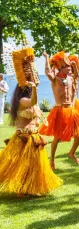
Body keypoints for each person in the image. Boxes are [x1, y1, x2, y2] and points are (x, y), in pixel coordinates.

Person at [0, 47, 62, 196]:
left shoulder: (32, 101)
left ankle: (31, 188)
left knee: (35, 165)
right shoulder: (22, 100)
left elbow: (35, 107)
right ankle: (23, 189)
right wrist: (34, 88)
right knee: (21, 165)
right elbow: (32, 100)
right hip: (23, 138)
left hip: (35, 138)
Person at [39, 51, 79, 170]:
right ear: (61, 68)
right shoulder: (55, 79)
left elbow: (77, 74)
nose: (69, 69)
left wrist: (74, 65)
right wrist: (47, 58)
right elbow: (48, 72)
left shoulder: (70, 78)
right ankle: (52, 159)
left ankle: (72, 153)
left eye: (69, 67)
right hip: (59, 110)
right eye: (67, 67)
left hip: (71, 110)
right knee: (57, 137)